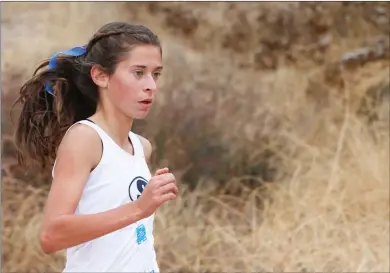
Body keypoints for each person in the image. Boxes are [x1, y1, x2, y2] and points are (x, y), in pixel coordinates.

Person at [12, 22, 178, 272]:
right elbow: (51, 236)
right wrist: (139, 208)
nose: (151, 86)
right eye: (138, 72)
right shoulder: (84, 140)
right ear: (101, 75)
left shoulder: (142, 147)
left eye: (156, 74)